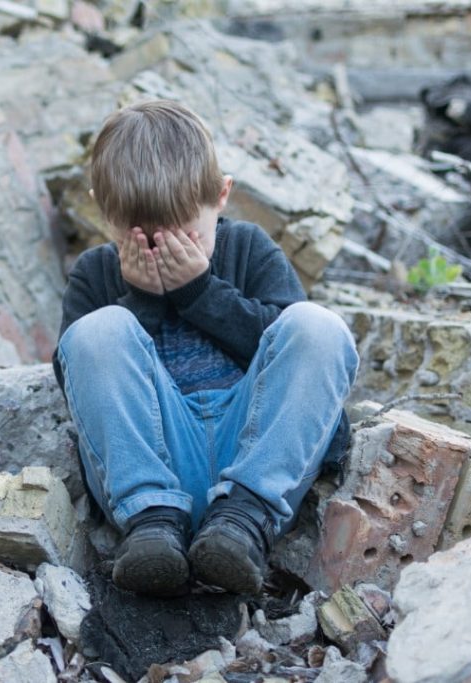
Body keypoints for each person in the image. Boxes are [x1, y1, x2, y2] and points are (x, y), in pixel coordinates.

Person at [53, 100, 359, 596]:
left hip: (257, 462)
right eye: (144, 242)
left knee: (316, 326)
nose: (164, 254)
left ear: (221, 196)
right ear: (101, 212)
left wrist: (200, 292)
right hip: (152, 467)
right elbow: (80, 386)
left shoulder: (249, 248)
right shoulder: (94, 273)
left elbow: (289, 362)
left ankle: (242, 522)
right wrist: (144, 299)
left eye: (186, 237)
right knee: (94, 332)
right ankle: (153, 523)